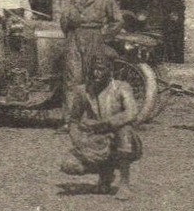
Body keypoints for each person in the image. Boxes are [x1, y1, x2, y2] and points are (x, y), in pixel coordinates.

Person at [60, 49, 143, 196]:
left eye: (100, 69)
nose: (96, 74)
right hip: (97, 140)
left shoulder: (122, 87)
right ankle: (105, 177)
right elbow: (73, 121)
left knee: (124, 130)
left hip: (122, 140)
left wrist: (103, 123)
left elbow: (132, 113)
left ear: (110, 70)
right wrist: (79, 144)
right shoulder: (82, 91)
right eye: (93, 69)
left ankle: (124, 185)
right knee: (70, 165)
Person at [60, 0, 122, 86]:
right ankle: (73, 106)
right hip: (74, 39)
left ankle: (92, 105)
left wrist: (104, 36)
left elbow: (118, 20)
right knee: (73, 77)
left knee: (93, 77)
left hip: (95, 38)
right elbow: (64, 20)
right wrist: (71, 33)